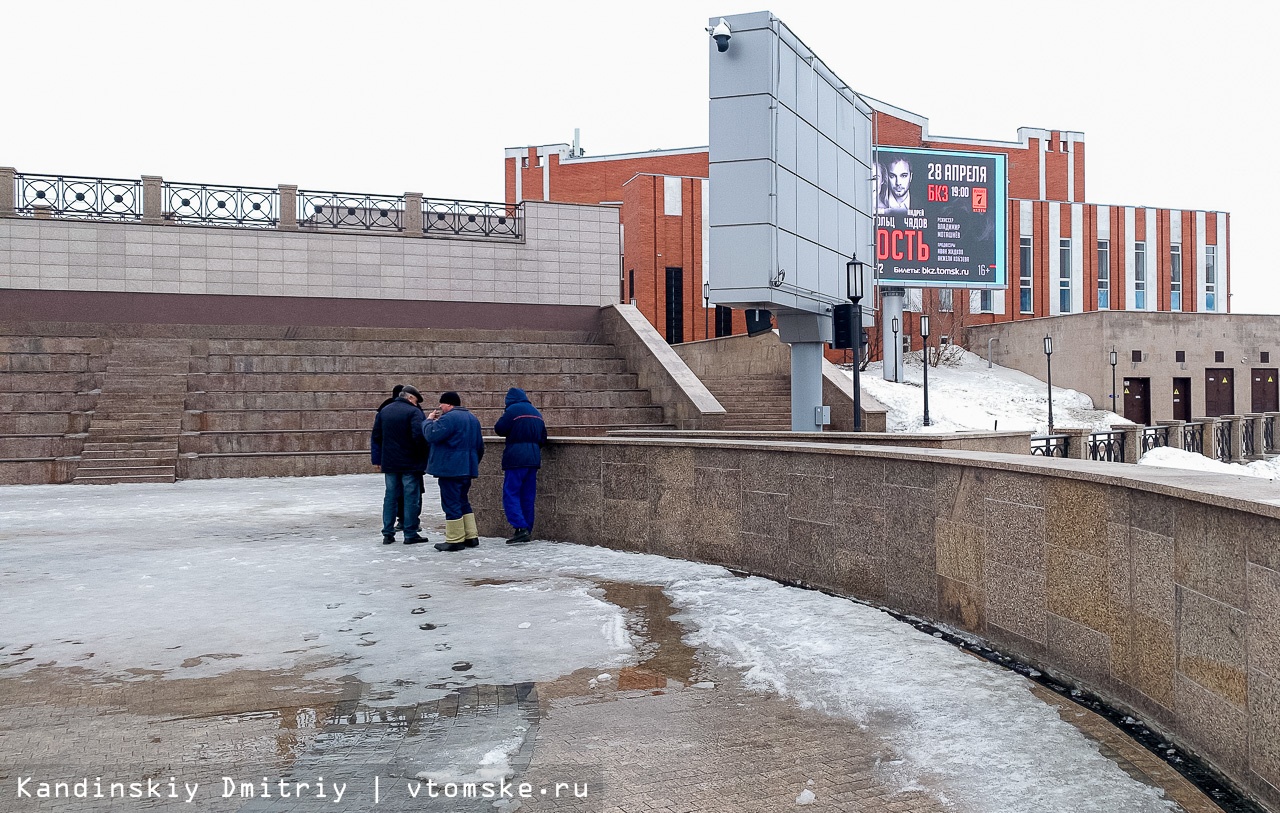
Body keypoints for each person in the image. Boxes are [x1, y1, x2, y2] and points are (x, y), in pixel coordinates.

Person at [424, 391, 485, 553]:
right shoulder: (473, 418)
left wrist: (428, 421)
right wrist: (471, 464)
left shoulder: (450, 418)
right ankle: (471, 536)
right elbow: (480, 447)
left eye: (441, 404)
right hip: (467, 468)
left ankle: (455, 539)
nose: (439, 407)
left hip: (451, 469)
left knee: (450, 502)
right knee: (463, 500)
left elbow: (431, 435)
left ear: (449, 404)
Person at [370, 385, 429, 545]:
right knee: (411, 498)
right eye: (416, 400)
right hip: (410, 463)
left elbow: (376, 436)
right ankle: (410, 533)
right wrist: (425, 455)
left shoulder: (385, 411)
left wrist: (377, 459)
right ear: (410, 398)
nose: (417, 404)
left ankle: (388, 533)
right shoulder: (414, 412)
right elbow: (419, 436)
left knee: (390, 497)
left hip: (390, 463)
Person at [493, 387, 548, 545]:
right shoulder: (536, 412)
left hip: (516, 459)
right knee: (528, 495)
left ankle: (520, 527)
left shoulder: (513, 410)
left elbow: (499, 429)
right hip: (533, 459)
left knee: (511, 492)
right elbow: (543, 437)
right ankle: (527, 529)